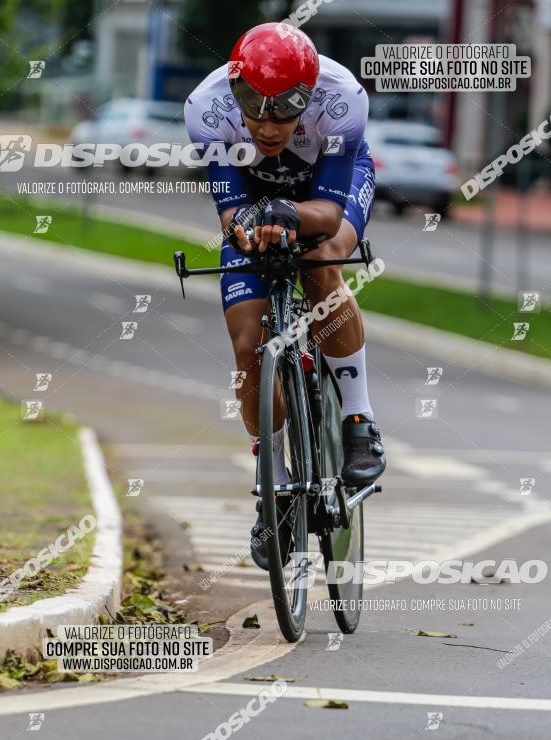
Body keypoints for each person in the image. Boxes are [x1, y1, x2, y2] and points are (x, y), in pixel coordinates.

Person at [185, 22, 386, 569]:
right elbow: (230, 214)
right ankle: (272, 486)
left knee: (323, 260)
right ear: (235, 89)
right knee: (249, 340)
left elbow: (328, 212)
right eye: (253, 106)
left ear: (311, 93)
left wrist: (290, 215)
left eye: (286, 108)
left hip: (322, 192)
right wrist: (250, 227)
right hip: (254, 199)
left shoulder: (343, 97)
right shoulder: (206, 106)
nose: (268, 124)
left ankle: (359, 421)